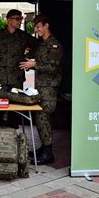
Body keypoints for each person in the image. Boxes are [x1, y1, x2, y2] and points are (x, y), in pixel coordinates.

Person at [0, 9, 38, 128]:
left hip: (16, 77)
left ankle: (13, 135)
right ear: (8, 20)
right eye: (17, 19)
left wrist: (27, 57)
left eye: (21, 19)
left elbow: (37, 45)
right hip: (0, 78)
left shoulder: (23, 36)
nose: (20, 21)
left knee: (15, 108)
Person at [20, 15, 62, 165]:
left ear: (46, 26)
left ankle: (48, 152)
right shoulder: (42, 44)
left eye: (38, 26)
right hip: (41, 87)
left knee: (43, 117)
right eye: (35, 27)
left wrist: (34, 65)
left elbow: (52, 68)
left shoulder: (54, 45)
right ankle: (44, 147)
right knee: (40, 118)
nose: (36, 30)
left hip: (49, 88)